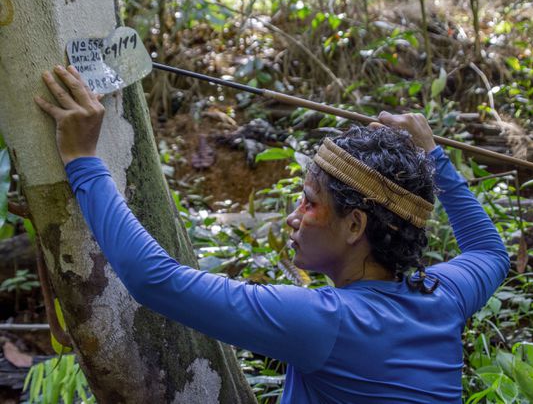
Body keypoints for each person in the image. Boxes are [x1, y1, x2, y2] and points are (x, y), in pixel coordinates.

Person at [35, 65, 509, 403]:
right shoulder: (443, 296)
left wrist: (83, 159)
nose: (293, 216)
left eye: (310, 201)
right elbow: (490, 251)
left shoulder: (325, 322)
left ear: (355, 225)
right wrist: (433, 156)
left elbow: (154, 280)